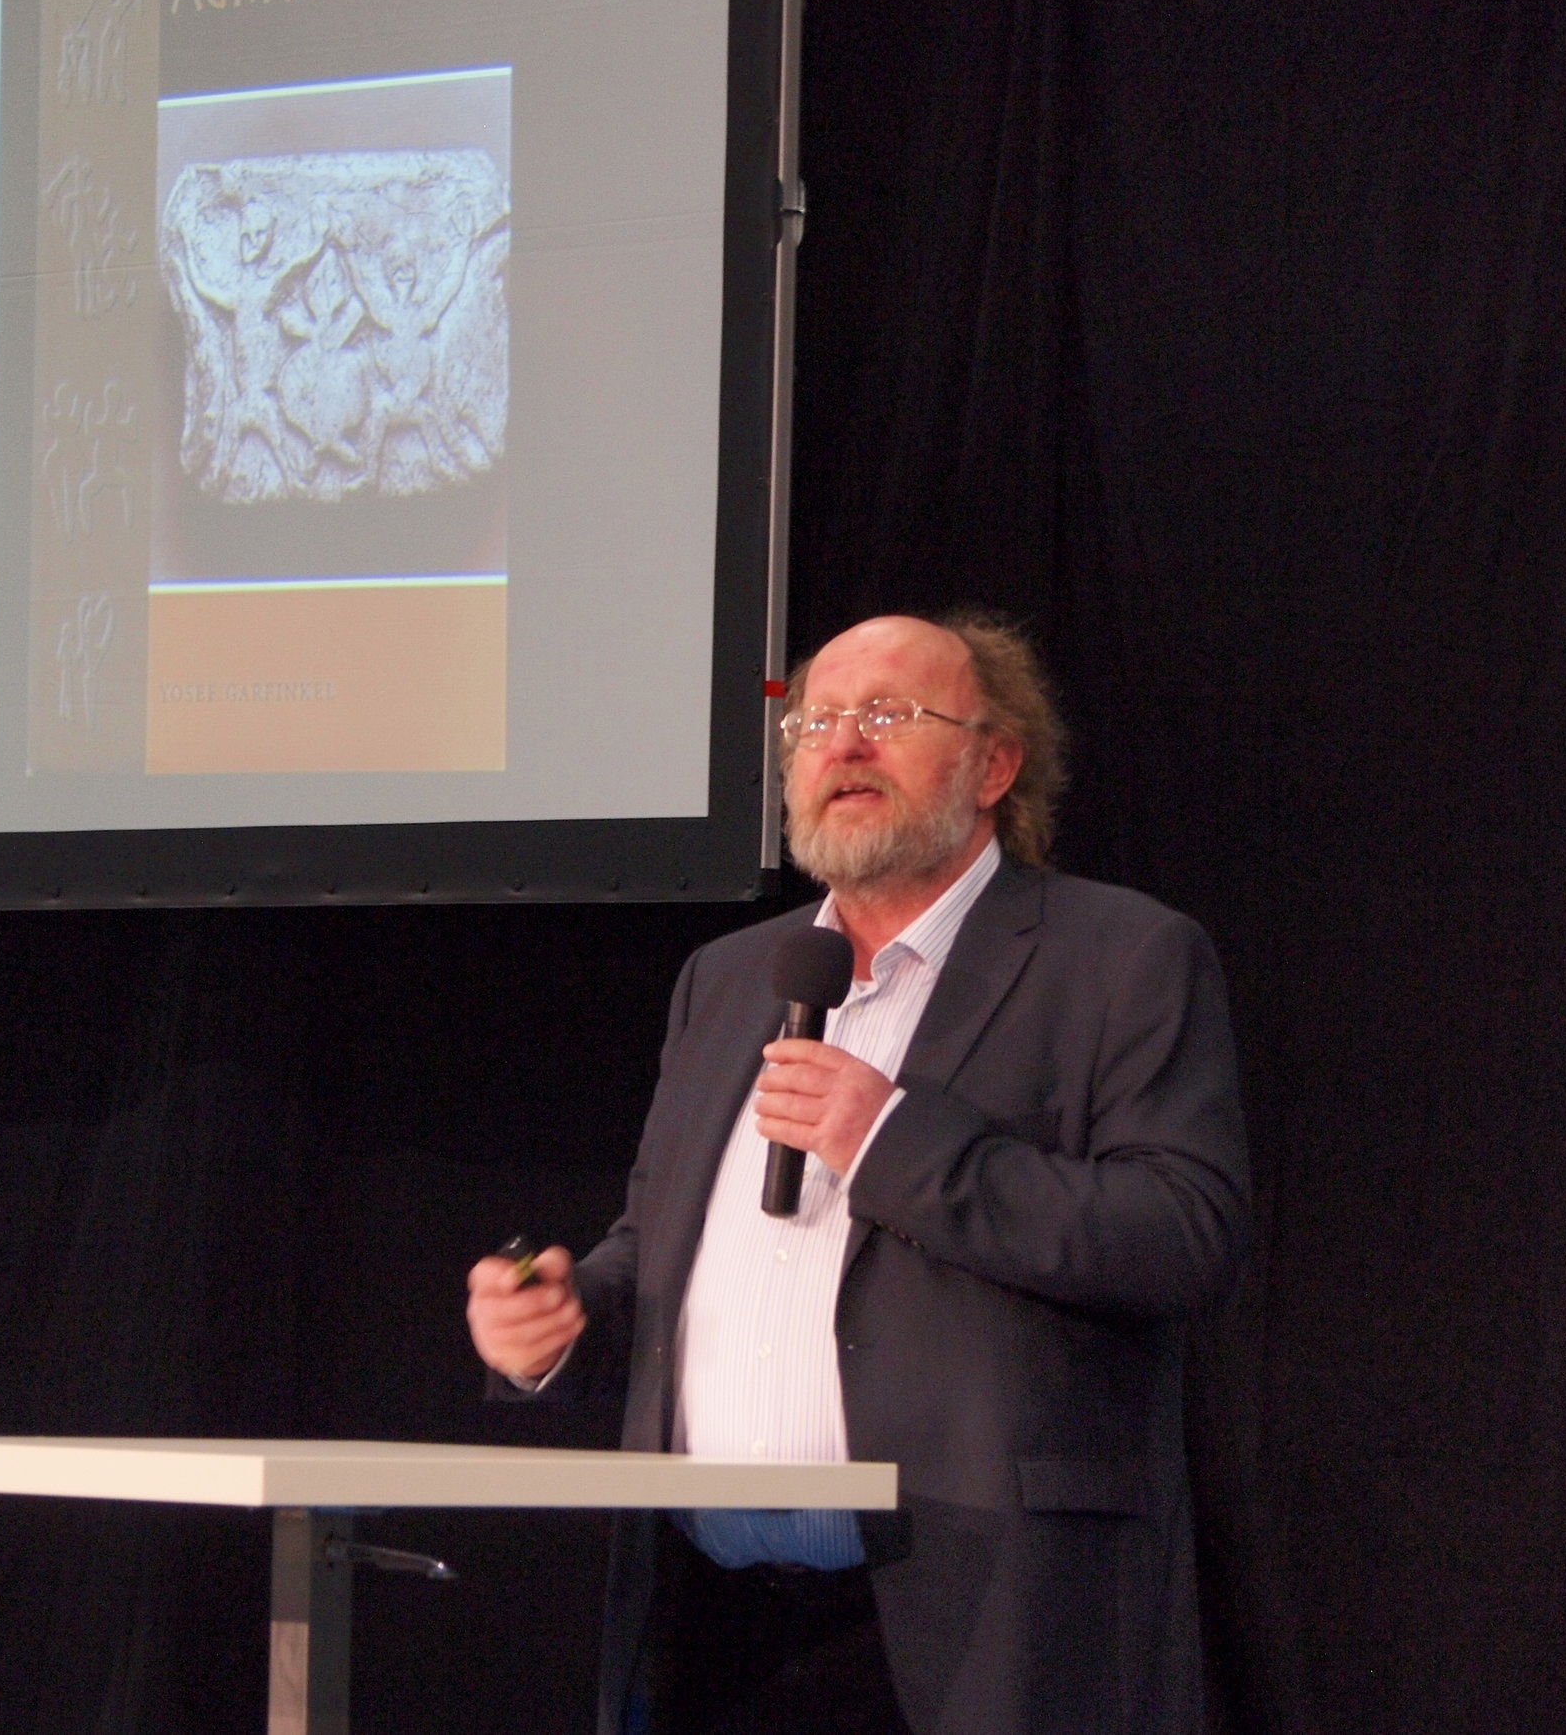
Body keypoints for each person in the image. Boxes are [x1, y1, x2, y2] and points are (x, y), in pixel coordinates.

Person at [466, 613, 1251, 1735]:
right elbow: (662, 1248)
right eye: (818, 721)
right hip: (713, 1625)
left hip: (983, 1620)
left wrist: (893, 1142)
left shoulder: (1119, 957)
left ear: (995, 764)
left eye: (888, 715)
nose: (843, 744)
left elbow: (1184, 1232)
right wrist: (564, 1317)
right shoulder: (731, 979)